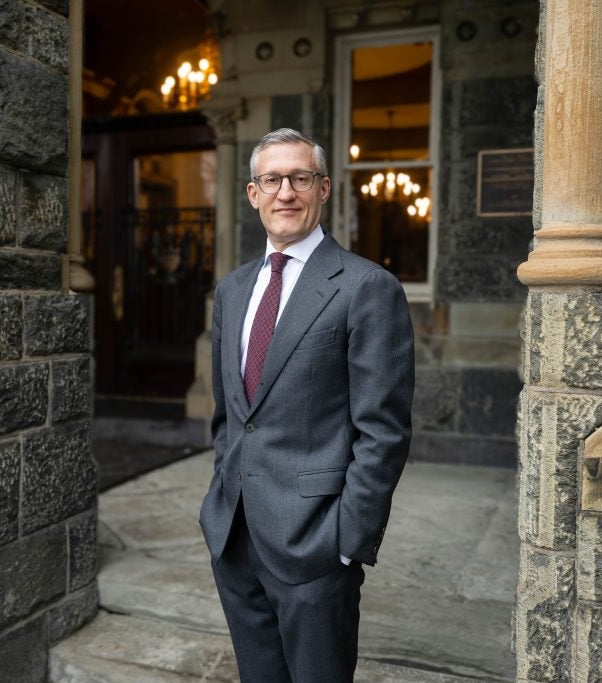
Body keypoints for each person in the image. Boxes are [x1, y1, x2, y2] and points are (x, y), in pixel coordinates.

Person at [199, 128, 414, 682]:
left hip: (316, 544)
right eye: (272, 179)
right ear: (253, 194)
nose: (285, 192)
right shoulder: (232, 290)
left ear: (323, 190)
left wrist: (347, 541)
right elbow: (230, 415)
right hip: (235, 535)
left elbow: (383, 431)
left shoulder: (367, 287)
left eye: (300, 178)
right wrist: (220, 499)